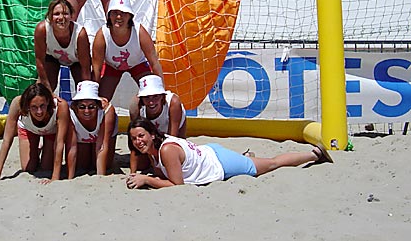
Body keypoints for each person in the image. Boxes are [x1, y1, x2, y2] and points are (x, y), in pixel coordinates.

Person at [126, 117, 333, 190]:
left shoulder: (167, 149)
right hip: (210, 154)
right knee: (251, 163)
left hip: (219, 163)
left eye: (141, 136)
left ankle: (315, 154)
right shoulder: (153, 149)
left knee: (272, 164)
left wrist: (147, 180)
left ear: (152, 134)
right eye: (134, 138)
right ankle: (245, 159)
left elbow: (177, 186)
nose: (138, 141)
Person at [0, 83, 70, 182]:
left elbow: (60, 143)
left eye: (42, 106)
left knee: (47, 167)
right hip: (28, 129)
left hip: (51, 131)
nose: (39, 111)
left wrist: (54, 178)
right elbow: (7, 139)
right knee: (28, 168)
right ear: (27, 105)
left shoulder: (60, 106)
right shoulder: (18, 103)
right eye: (34, 107)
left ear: (48, 101)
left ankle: (43, 148)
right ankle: (37, 149)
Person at [92, 0, 163, 100]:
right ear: (109, 15)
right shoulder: (102, 35)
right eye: (115, 13)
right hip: (112, 67)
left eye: (123, 13)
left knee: (152, 95)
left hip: (138, 64)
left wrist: (160, 90)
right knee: (101, 100)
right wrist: (92, 96)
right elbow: (96, 68)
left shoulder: (139, 32)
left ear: (130, 16)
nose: (119, 17)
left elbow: (154, 63)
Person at [129, 74, 186, 172]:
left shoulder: (173, 102)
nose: (151, 102)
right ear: (141, 99)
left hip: (173, 133)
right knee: (141, 165)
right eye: (147, 97)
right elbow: (133, 140)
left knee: (171, 158)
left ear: (162, 97)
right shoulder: (136, 106)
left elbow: (173, 139)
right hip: (152, 136)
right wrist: (132, 173)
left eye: (155, 96)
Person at [34, 0, 91, 93]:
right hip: (52, 57)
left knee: (83, 87)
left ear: (71, 16)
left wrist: (86, 92)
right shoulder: (42, 29)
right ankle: (24, 101)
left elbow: (85, 68)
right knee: (43, 90)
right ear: (50, 17)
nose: (61, 17)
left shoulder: (80, 34)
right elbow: (39, 60)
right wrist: (46, 87)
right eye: (56, 14)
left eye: (65, 14)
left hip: (76, 61)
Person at [67, 80, 118, 176]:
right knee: (81, 165)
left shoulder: (107, 111)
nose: (87, 111)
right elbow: (72, 146)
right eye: (82, 107)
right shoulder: (70, 113)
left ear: (98, 105)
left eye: (91, 107)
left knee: (106, 165)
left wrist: (100, 177)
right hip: (82, 138)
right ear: (75, 107)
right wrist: (70, 178)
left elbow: (102, 145)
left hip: (101, 135)